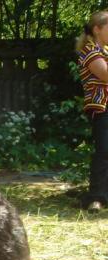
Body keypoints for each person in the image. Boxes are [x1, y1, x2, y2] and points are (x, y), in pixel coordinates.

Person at [77, 11, 108, 213]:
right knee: (104, 152)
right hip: (102, 108)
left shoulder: (104, 50)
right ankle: (96, 197)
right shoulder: (90, 51)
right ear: (97, 29)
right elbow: (106, 75)